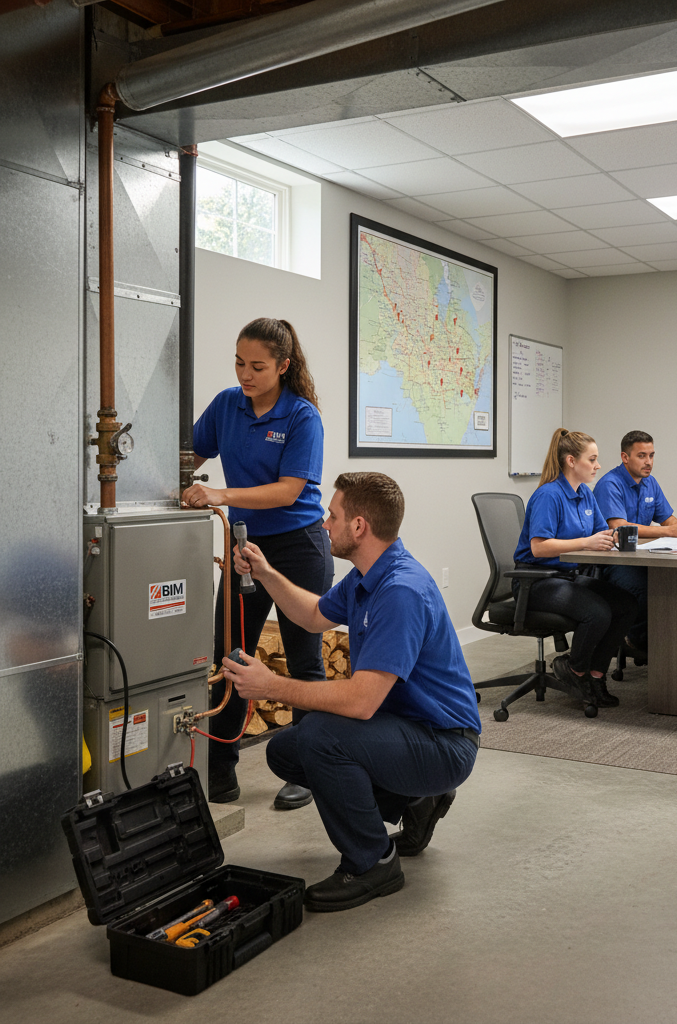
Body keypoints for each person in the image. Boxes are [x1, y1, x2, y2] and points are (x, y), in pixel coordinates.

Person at [222, 472, 481, 912]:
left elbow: (361, 703)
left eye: (333, 515)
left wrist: (272, 686)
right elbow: (312, 615)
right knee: (286, 750)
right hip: (405, 726)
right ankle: (415, 799)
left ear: (359, 527)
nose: (325, 524)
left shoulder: (400, 591)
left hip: (444, 742)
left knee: (321, 736)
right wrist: (266, 573)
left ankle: (374, 863)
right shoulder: (368, 576)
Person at [182, 317, 333, 810]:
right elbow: (190, 450)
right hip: (245, 547)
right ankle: (221, 770)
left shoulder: (302, 417)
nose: (245, 375)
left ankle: (307, 768)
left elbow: (290, 490)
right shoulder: (228, 404)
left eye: (258, 366)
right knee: (231, 655)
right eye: (239, 363)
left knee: (305, 660)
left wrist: (220, 494)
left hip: (297, 549)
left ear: (283, 366)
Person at [513, 428, 638, 708]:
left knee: (626, 603)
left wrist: (613, 538)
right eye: (592, 460)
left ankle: (595, 675)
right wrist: (588, 542)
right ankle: (574, 669)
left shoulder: (585, 494)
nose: (598, 466)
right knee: (597, 612)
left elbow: (599, 534)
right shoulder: (549, 495)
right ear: (571, 461)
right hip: (536, 581)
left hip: (567, 577)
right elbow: (539, 547)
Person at [593, 430, 677, 657]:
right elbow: (619, 526)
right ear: (625, 457)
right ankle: (637, 641)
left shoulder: (650, 483)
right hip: (615, 562)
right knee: (651, 591)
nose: (648, 462)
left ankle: (673, 646)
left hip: (643, 558)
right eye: (642, 456)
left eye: (651, 455)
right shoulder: (610, 484)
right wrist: (669, 530)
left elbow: (668, 519)